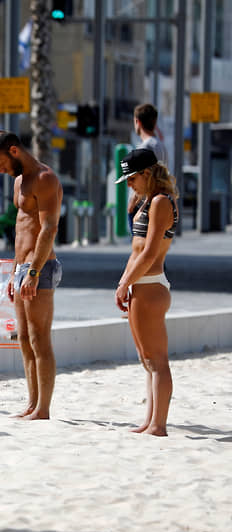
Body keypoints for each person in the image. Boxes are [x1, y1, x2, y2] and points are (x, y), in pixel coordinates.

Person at [0, 131, 63, 420]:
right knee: (25, 338)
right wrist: (15, 274)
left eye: (0, 162)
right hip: (22, 269)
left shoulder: (45, 179)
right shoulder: (18, 181)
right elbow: (22, 229)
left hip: (39, 268)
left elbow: (48, 228)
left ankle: (43, 408)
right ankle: (32, 403)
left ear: (14, 151)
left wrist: (32, 271)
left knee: (40, 338)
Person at [114, 148, 178, 437]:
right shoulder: (147, 200)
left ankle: (159, 425)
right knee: (146, 359)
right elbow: (137, 251)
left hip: (150, 286)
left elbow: (150, 252)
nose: (129, 184)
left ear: (147, 173)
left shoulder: (161, 202)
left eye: (132, 178)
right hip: (142, 285)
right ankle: (151, 421)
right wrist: (127, 281)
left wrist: (124, 283)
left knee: (156, 359)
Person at [127, 104, 168, 231]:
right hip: (158, 201)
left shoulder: (144, 148)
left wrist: (131, 205)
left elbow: (140, 178)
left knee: (140, 246)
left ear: (137, 122)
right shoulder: (161, 146)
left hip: (143, 205)